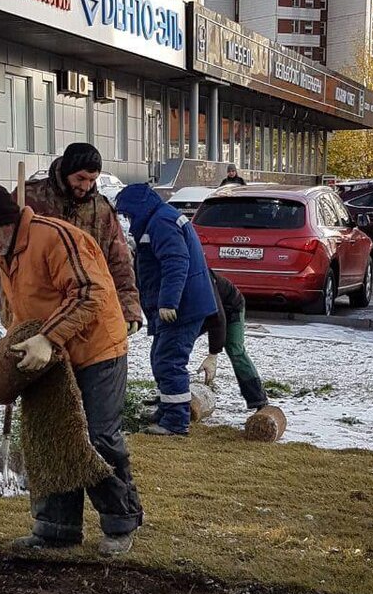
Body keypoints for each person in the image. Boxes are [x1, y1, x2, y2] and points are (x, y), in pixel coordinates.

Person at [0, 184, 142, 556]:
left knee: (95, 437)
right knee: (49, 437)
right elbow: (21, 308)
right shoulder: (6, 253)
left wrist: (47, 337)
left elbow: (89, 292)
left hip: (96, 350)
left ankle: (121, 521)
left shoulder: (56, 238)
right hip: (49, 355)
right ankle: (56, 529)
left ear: (2, 223)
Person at [115, 184, 216, 437]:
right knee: (160, 358)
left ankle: (174, 421)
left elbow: (176, 261)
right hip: (180, 305)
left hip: (181, 307)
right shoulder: (160, 218)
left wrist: (168, 302)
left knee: (169, 362)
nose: (128, 220)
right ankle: (167, 407)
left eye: (128, 214)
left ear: (139, 208)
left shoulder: (160, 222)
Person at [20, 142, 143, 334]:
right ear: (66, 170)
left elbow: (120, 262)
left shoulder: (102, 210)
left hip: (86, 309)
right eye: (80, 178)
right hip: (37, 308)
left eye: (92, 180)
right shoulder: (29, 198)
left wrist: (129, 308)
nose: (86, 186)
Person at [195, 270, 268, 411]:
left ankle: (259, 399)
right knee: (180, 342)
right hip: (207, 311)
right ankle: (170, 393)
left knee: (235, 349)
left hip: (231, 306)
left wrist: (212, 356)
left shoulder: (203, 278)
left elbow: (218, 319)